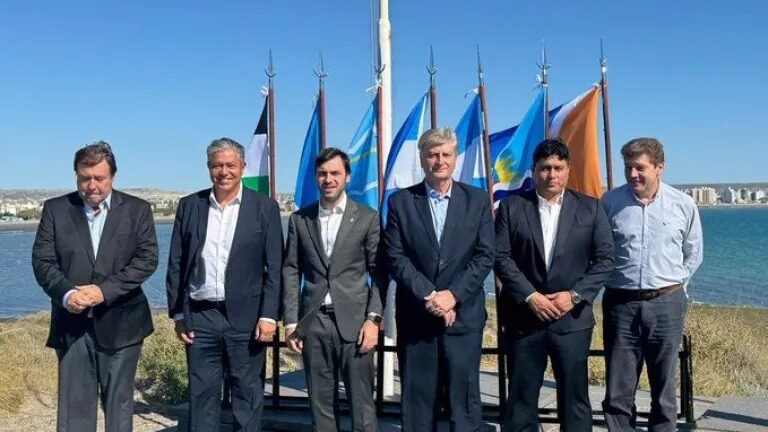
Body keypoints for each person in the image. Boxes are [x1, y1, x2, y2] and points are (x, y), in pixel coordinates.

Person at [32, 141, 158, 432]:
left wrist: (103, 291)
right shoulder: (56, 209)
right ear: (76, 176)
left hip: (123, 323)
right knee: (74, 411)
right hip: (72, 324)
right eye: (84, 178)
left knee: (119, 408)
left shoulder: (137, 210)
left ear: (112, 176)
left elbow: (146, 259)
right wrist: (67, 294)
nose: (91, 185)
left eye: (99, 178)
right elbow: (43, 261)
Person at [493, 138, 614, 432]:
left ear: (568, 170)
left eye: (558, 168)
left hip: (571, 320)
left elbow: (605, 260)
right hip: (524, 319)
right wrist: (530, 296)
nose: (552, 175)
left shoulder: (591, 209)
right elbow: (500, 257)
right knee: (521, 401)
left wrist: (574, 296)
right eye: (545, 168)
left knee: (575, 400)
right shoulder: (511, 208)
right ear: (534, 170)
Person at [165, 137, 283, 432]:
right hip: (201, 317)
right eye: (217, 165)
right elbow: (177, 262)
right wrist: (178, 313)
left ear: (242, 166)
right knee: (202, 395)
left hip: (246, 317)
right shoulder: (190, 206)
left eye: (230, 165)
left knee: (247, 393)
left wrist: (269, 315)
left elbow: (275, 267)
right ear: (209, 168)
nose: (224, 172)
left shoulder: (264, 208)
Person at [382, 127, 494, 431]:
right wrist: (430, 295)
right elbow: (395, 256)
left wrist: (452, 295)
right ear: (422, 158)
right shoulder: (401, 202)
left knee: (464, 400)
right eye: (432, 154)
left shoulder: (477, 200)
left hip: (463, 317)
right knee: (418, 402)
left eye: (446, 154)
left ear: (455, 158)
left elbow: (485, 255)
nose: (439, 160)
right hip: (418, 316)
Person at [601, 137, 703, 432]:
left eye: (639, 167)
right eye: (628, 167)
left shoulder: (683, 204)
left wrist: (673, 284)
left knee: (664, 387)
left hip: (666, 303)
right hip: (621, 303)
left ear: (659, 167)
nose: (632, 174)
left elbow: (693, 252)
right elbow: (600, 250)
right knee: (618, 387)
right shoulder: (610, 202)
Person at [282, 147, 384, 431]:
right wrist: (291, 322)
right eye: (323, 173)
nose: (329, 179)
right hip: (314, 323)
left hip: (356, 323)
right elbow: (291, 270)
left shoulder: (367, 217)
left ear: (347, 176)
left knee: (362, 406)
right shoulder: (300, 220)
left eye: (335, 173)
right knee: (321, 406)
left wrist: (373, 319)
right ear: (316, 177)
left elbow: (379, 272)